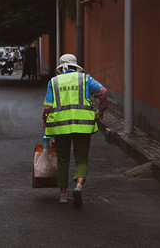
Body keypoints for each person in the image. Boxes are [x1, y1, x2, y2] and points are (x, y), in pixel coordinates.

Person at [42, 54, 108, 206]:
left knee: (63, 159)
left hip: (60, 127)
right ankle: (78, 186)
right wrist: (101, 110)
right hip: (83, 125)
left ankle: (63, 195)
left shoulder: (54, 81)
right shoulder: (84, 79)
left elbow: (47, 108)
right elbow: (103, 92)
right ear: (75, 66)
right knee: (82, 159)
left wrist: (45, 123)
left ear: (61, 67)